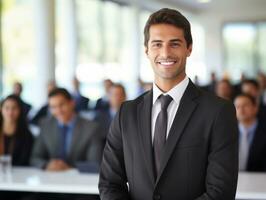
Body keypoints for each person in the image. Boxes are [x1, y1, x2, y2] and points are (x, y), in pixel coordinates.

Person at [99, 8, 238, 200]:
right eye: (157, 44)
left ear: (189, 48)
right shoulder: (127, 113)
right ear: (147, 50)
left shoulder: (218, 111)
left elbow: (220, 193)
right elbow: (110, 183)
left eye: (174, 44)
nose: (165, 53)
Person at [31, 88, 101, 172]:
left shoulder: (91, 128)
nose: (58, 111)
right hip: (51, 178)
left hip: (80, 179)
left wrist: (68, 167)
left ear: (72, 103)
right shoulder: (46, 125)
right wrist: (47, 164)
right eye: (53, 107)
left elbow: (95, 164)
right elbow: (35, 157)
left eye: (62, 105)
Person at [234, 93, 266, 172]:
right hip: (233, 179)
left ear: (255, 108)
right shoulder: (227, 131)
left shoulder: (263, 129)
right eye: (237, 107)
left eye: (245, 106)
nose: (241, 110)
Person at [94, 83, 127, 158]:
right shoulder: (99, 117)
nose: (117, 98)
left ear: (125, 96)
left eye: (119, 95)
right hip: (104, 154)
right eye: (114, 95)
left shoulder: (132, 116)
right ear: (109, 97)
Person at [0, 95, 33, 166]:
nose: (10, 112)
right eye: (7, 108)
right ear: (1, 109)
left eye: (14, 108)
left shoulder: (26, 135)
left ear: (20, 110)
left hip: (19, 173)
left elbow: (25, 161)